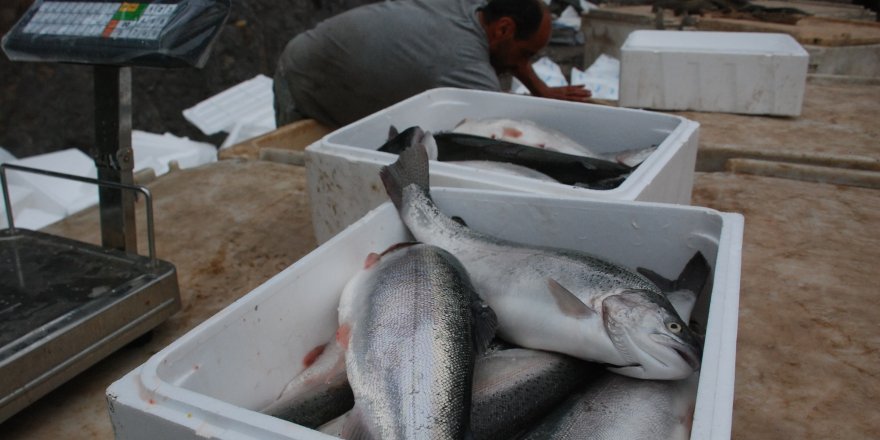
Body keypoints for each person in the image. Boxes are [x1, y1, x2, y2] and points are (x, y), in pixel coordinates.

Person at [273, 0, 591, 128]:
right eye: (526, 54)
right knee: (296, 181)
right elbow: (504, 129)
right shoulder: (463, 66)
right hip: (304, 76)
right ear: (504, 28)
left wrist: (540, 89)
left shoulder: (476, 9)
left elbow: (510, 53)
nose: (525, 64)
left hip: (341, 63)